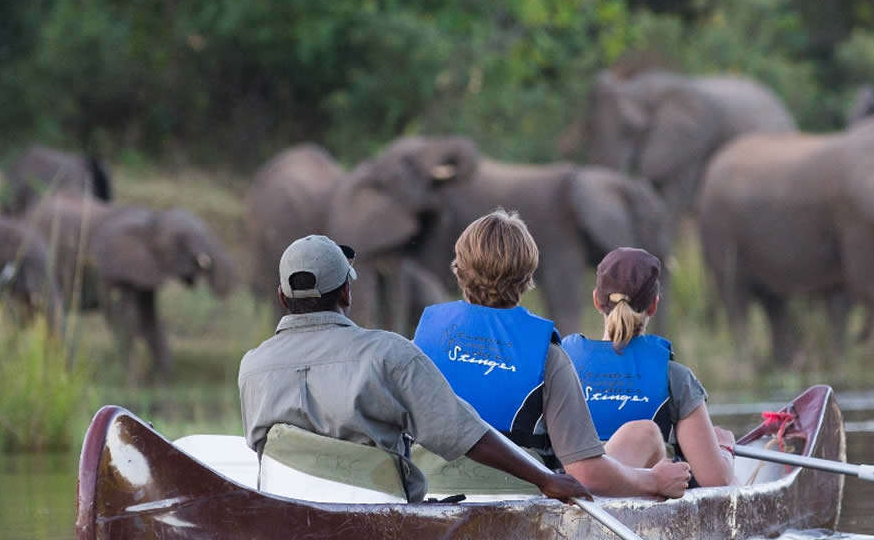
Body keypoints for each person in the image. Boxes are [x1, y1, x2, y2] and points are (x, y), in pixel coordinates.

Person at [237, 234, 591, 505]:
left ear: (283, 298)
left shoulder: (251, 367)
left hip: (287, 509)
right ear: (346, 292)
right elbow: (465, 433)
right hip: (378, 515)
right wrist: (545, 478)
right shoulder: (388, 354)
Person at [413, 210, 691, 499]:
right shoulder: (549, 357)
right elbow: (585, 474)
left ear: (458, 271)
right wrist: (653, 480)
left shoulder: (418, 346)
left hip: (427, 496)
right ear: (528, 279)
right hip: (514, 504)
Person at [561, 247, 739, 488]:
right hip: (627, 506)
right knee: (647, 436)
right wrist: (724, 448)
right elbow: (716, 482)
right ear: (653, 305)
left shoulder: (559, 366)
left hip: (569, 495)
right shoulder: (676, 379)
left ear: (596, 301)